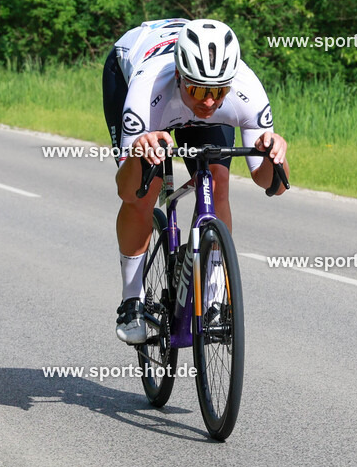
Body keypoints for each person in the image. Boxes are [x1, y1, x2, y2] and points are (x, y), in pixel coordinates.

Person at [101, 18, 289, 343]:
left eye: (218, 92)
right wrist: (138, 153)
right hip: (133, 73)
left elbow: (272, 185)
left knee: (218, 183)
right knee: (145, 194)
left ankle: (214, 298)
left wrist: (276, 157)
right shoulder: (148, 89)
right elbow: (125, 190)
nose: (208, 101)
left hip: (182, 101)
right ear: (179, 76)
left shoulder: (246, 89)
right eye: (199, 90)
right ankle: (132, 300)